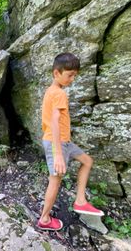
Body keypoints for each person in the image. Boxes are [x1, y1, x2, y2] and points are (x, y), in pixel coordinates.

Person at [37, 52, 104, 231]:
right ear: (56, 73)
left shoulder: (51, 91)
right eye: (70, 75)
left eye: (75, 75)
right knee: (55, 179)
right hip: (56, 142)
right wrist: (59, 154)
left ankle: (80, 200)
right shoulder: (58, 94)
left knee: (87, 161)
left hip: (62, 142)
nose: (72, 79)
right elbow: (54, 121)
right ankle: (44, 219)